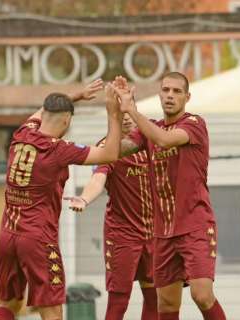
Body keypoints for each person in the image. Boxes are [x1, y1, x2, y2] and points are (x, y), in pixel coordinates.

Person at [0, 80, 123, 320]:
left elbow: (44, 110)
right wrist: (113, 113)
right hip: (37, 239)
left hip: (7, 234)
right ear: (66, 121)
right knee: (51, 309)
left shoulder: (22, 133)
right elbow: (110, 154)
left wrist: (77, 95)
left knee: (9, 303)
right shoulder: (59, 149)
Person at [116, 72, 226, 320]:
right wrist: (115, 112)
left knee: (201, 294)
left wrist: (132, 110)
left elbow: (165, 140)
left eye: (177, 91)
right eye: (166, 90)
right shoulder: (150, 129)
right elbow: (116, 150)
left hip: (195, 226)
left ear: (187, 97)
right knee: (165, 303)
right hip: (163, 232)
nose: (170, 95)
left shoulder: (194, 123)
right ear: (159, 94)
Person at [66, 111, 157, 320]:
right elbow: (98, 180)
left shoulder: (153, 139)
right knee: (119, 301)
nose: (125, 117)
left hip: (154, 233)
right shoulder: (108, 147)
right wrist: (84, 199)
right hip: (122, 234)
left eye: (128, 112)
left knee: (154, 298)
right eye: (119, 113)